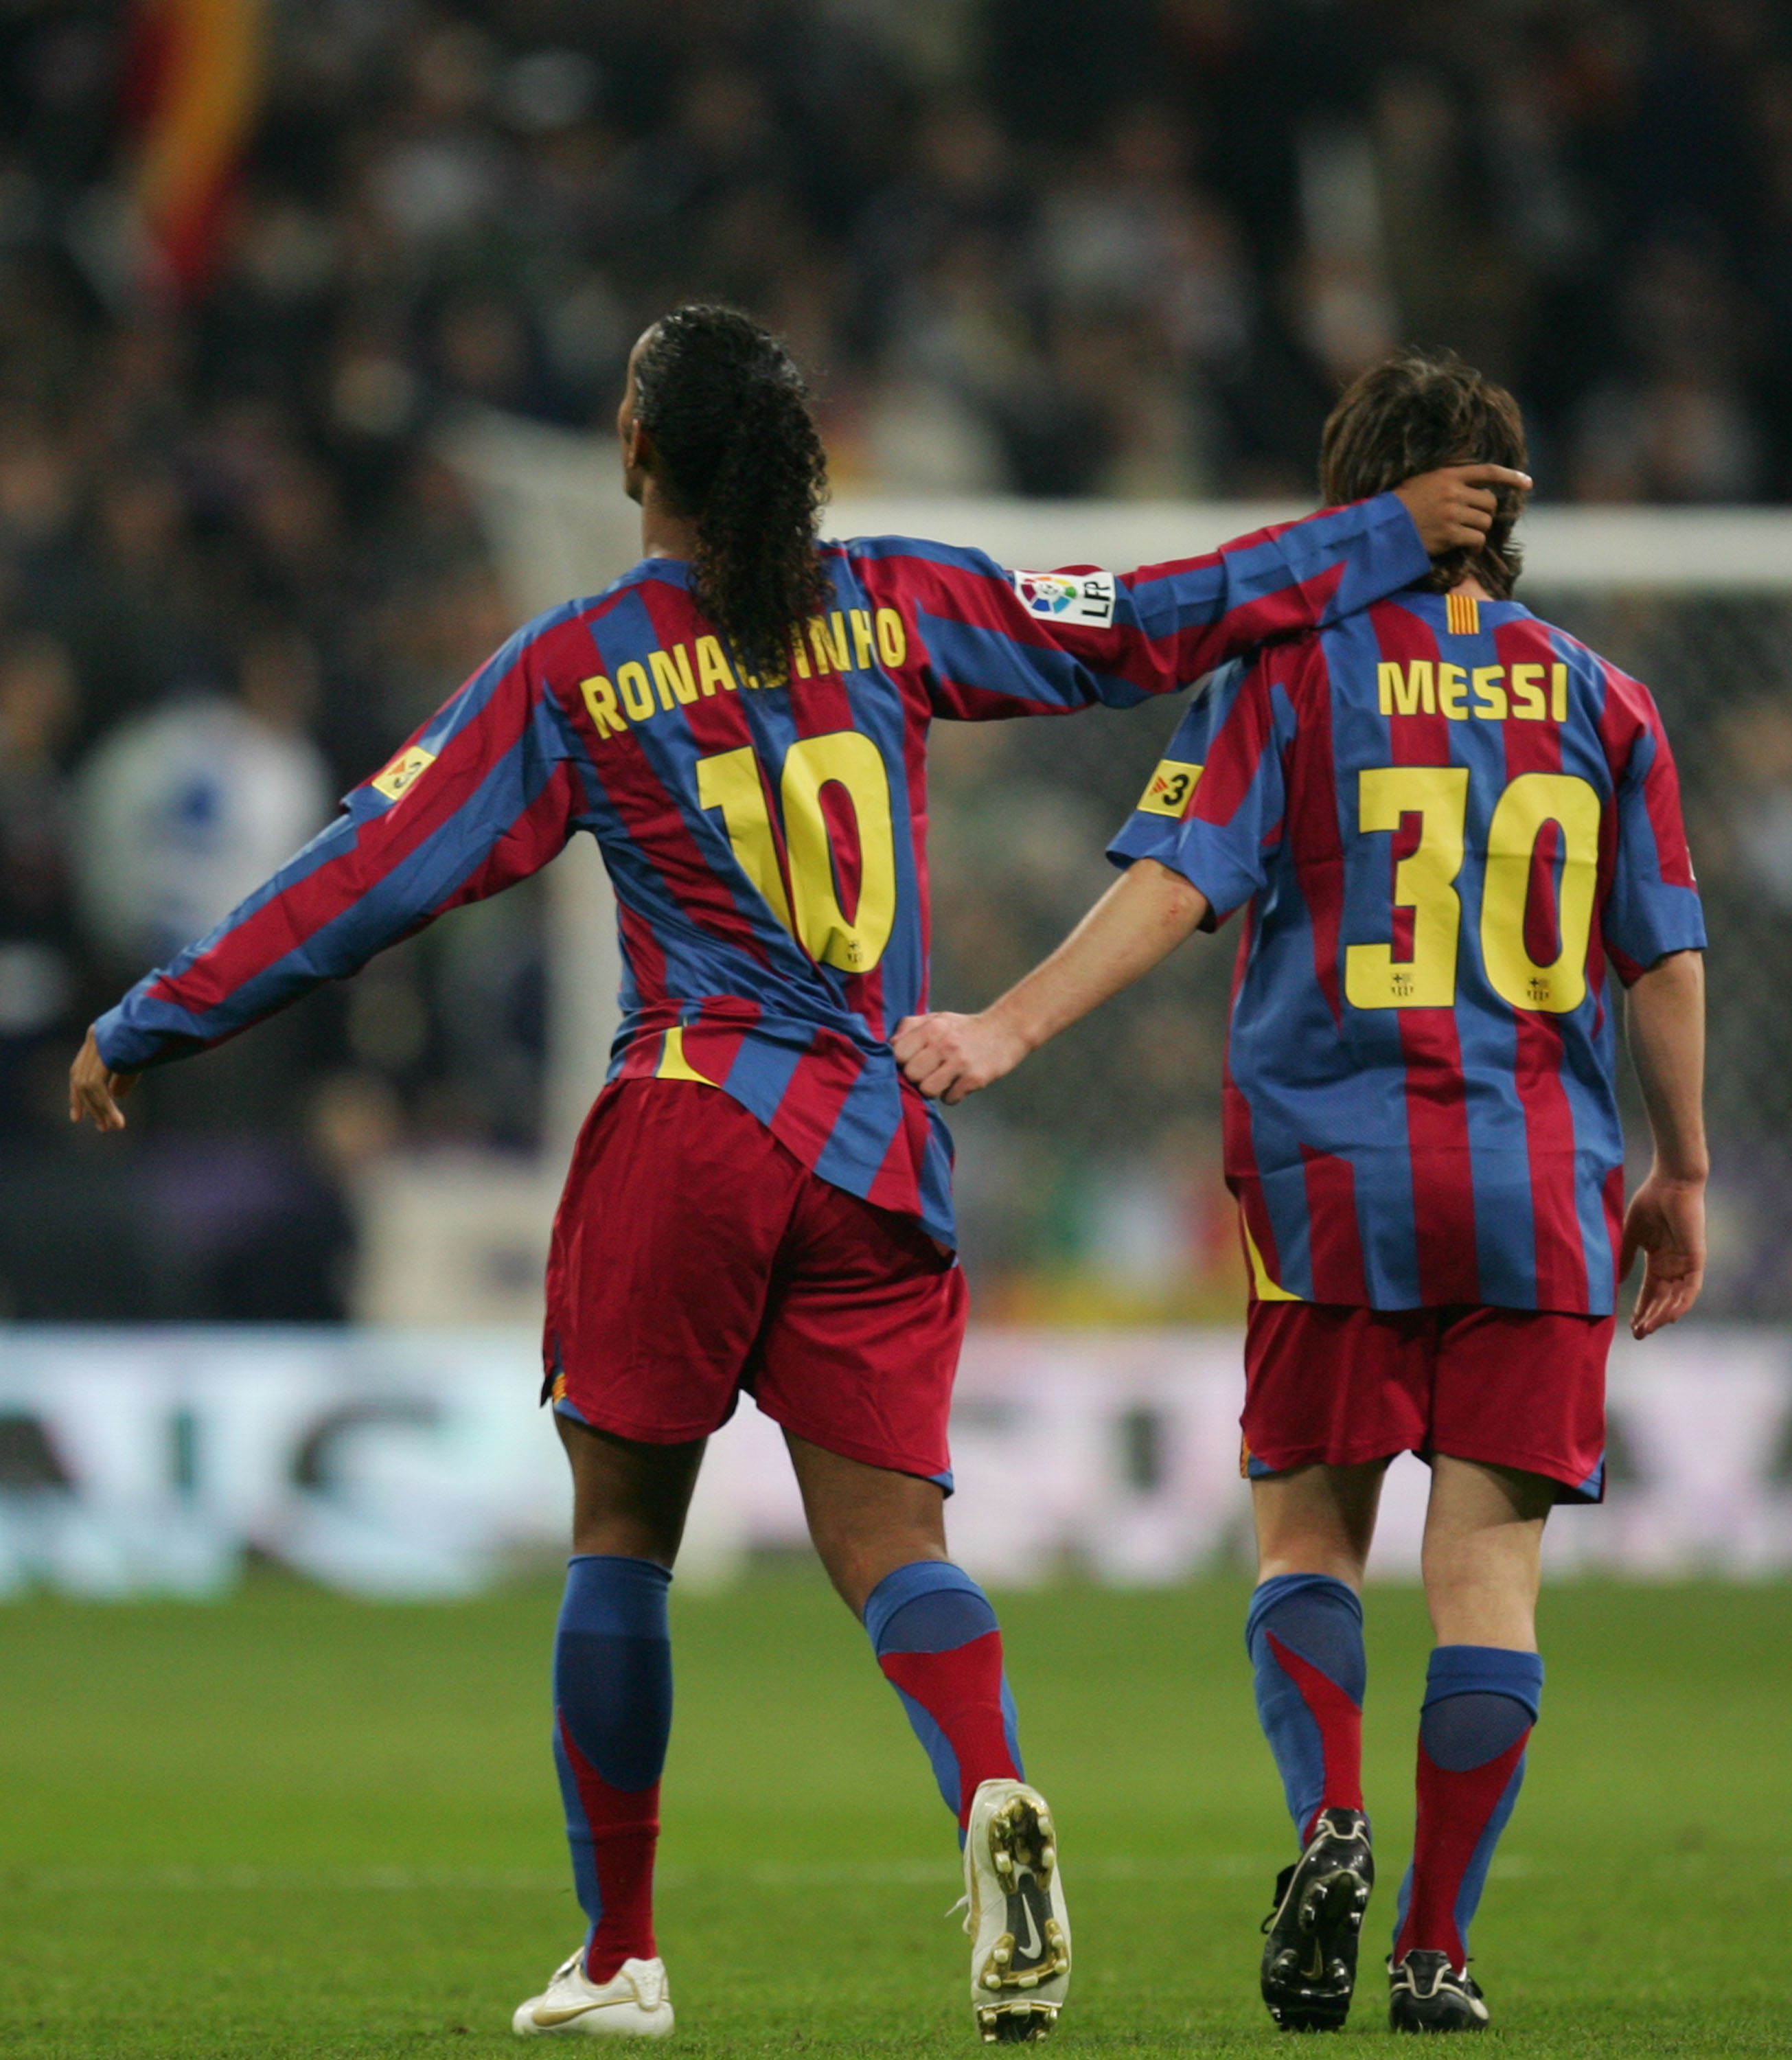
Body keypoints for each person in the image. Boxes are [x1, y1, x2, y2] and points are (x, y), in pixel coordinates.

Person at [69, 306, 1519, 2043]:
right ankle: (989, 1788)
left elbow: (378, 865)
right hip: (880, 1133)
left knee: (623, 1536)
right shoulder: (900, 601)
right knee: (897, 1542)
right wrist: (1380, 536)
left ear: (637, 456)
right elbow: (1149, 624)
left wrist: (160, 1016)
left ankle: (618, 1957)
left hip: (691, 1117)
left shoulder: (584, 661)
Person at [893, 350, 1705, 2035]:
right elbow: (1666, 959)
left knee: (1308, 1544)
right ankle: (1435, 1945)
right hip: (1542, 1187)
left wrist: (1010, 1025)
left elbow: (1179, 882)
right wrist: (1680, 1167)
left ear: (1365, 500)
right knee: (1488, 1581)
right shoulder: (1607, 700)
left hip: (1334, 1179)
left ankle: (1327, 1817)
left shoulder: (1295, 670)